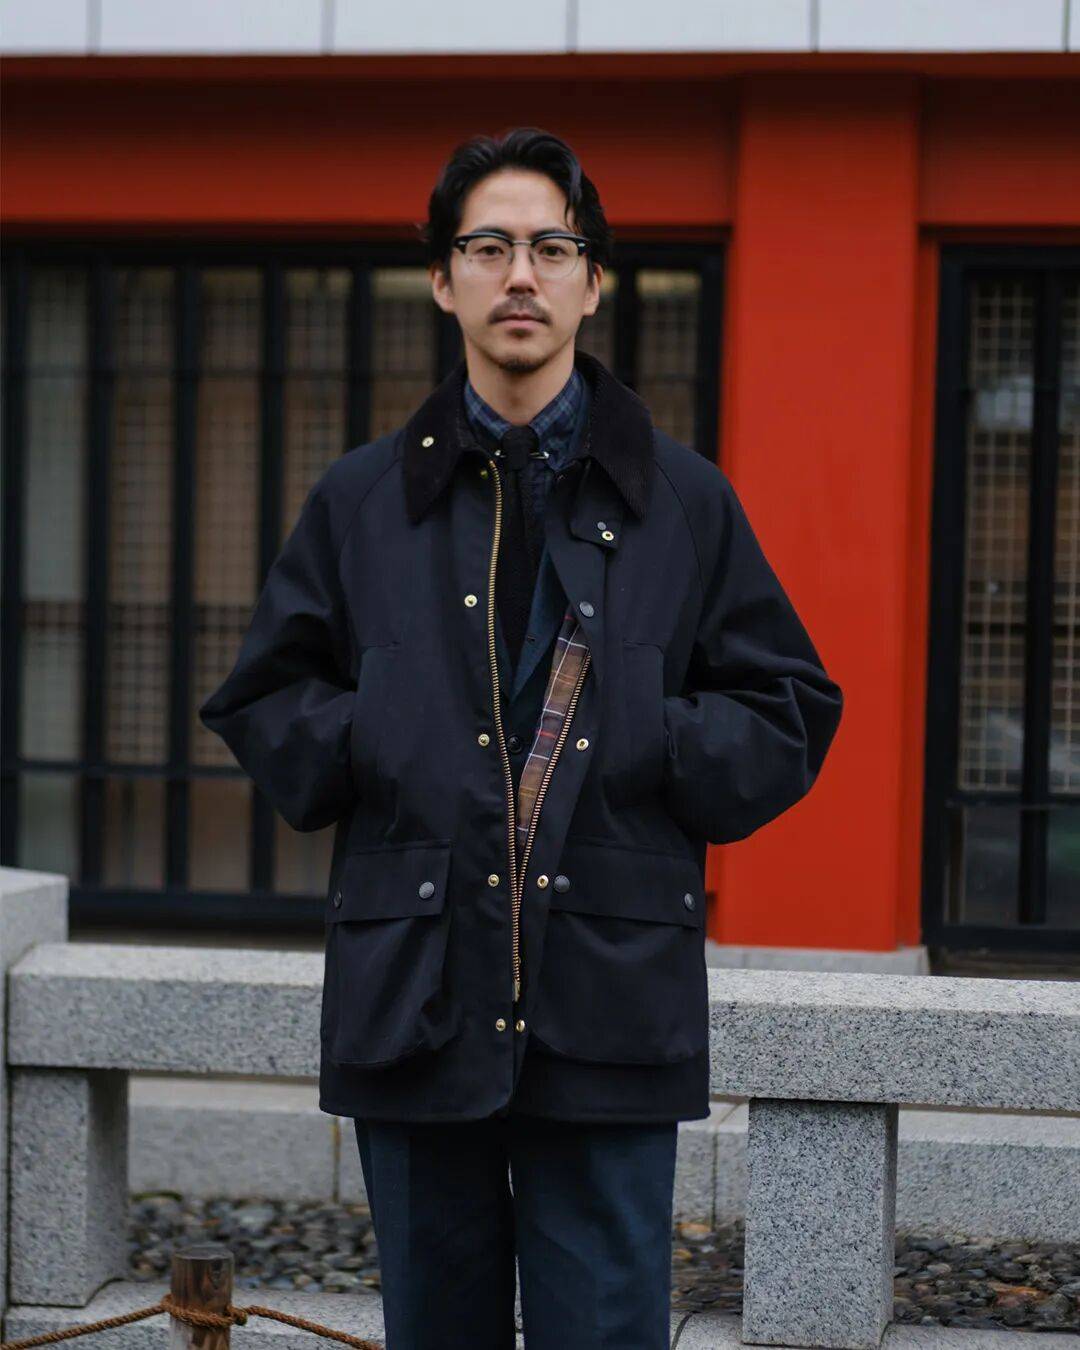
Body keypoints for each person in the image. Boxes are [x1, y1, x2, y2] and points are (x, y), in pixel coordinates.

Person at [199, 125, 843, 1350]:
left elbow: (789, 709)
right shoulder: (362, 500)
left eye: (552, 247)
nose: (520, 275)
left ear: (593, 283)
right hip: (416, 991)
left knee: (603, 1332)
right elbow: (262, 698)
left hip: (611, 990)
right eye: (488, 246)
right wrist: (383, 737)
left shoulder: (683, 500)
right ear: (442, 280)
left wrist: (646, 737)